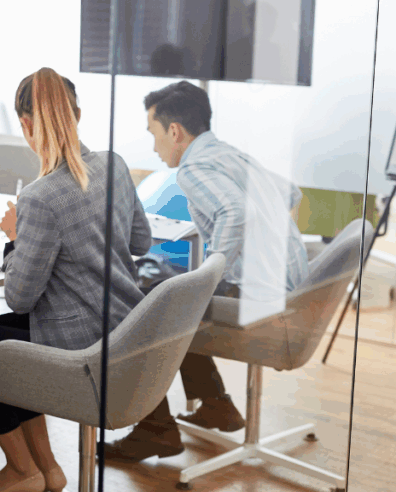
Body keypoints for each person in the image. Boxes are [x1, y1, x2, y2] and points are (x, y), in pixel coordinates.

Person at [0, 68, 152, 492]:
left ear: (25, 126)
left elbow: (19, 295)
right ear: (78, 114)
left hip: (85, 350)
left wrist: (16, 237)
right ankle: (45, 469)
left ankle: (23, 469)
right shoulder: (115, 164)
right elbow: (140, 243)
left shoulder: (40, 197)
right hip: (125, 330)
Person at [104, 81, 309, 462]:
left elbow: (235, 212)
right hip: (293, 290)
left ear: (175, 132)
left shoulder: (193, 169)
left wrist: (211, 271)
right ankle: (215, 403)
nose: (153, 146)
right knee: (173, 295)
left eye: (154, 133)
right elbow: (290, 194)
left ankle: (155, 429)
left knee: (151, 306)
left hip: (263, 299)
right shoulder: (229, 154)